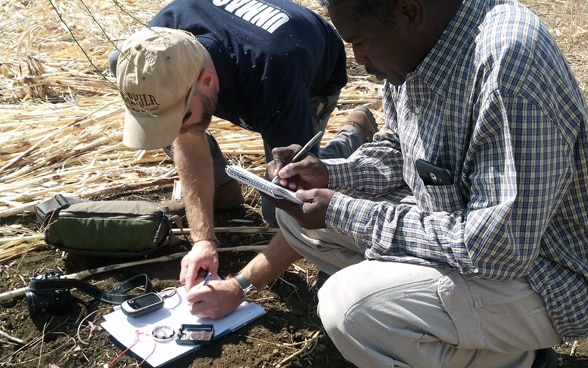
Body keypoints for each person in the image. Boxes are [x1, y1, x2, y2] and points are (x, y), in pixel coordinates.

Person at [187, 0, 588, 367]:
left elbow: (497, 248)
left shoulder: (509, 64)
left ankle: (516, 360)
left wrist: (344, 209)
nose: (360, 61)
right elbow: (399, 148)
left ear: (409, 12)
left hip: (545, 275)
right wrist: (328, 174)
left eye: (360, 43)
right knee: (293, 215)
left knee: (350, 308)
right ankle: (445, 330)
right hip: (470, 235)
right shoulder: (417, 46)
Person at [111, 1, 378, 295]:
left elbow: (300, 206)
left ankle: (354, 132)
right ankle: (221, 189)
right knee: (184, 123)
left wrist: (240, 287)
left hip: (309, 69)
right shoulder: (158, 48)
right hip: (239, 61)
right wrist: (203, 240)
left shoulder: (275, 75)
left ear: (208, 80)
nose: (174, 133)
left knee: (283, 204)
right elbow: (187, 137)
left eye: (180, 117)